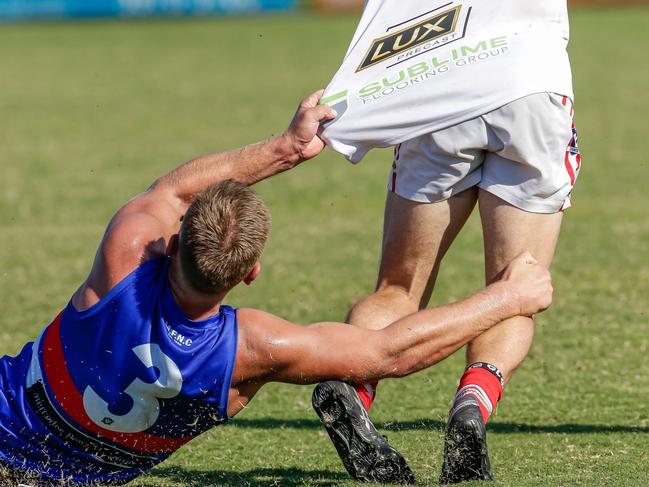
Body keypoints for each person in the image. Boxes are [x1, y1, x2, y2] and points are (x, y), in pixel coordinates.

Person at [0, 91, 552, 486]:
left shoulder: (126, 255)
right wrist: (508, 297)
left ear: (171, 244)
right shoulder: (251, 350)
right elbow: (388, 353)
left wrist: (286, 147)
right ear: (250, 271)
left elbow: (170, 189)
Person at [316, 0, 581, 483]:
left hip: (443, 84)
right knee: (512, 288)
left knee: (398, 287)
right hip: (531, 82)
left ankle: (355, 390)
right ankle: (472, 404)